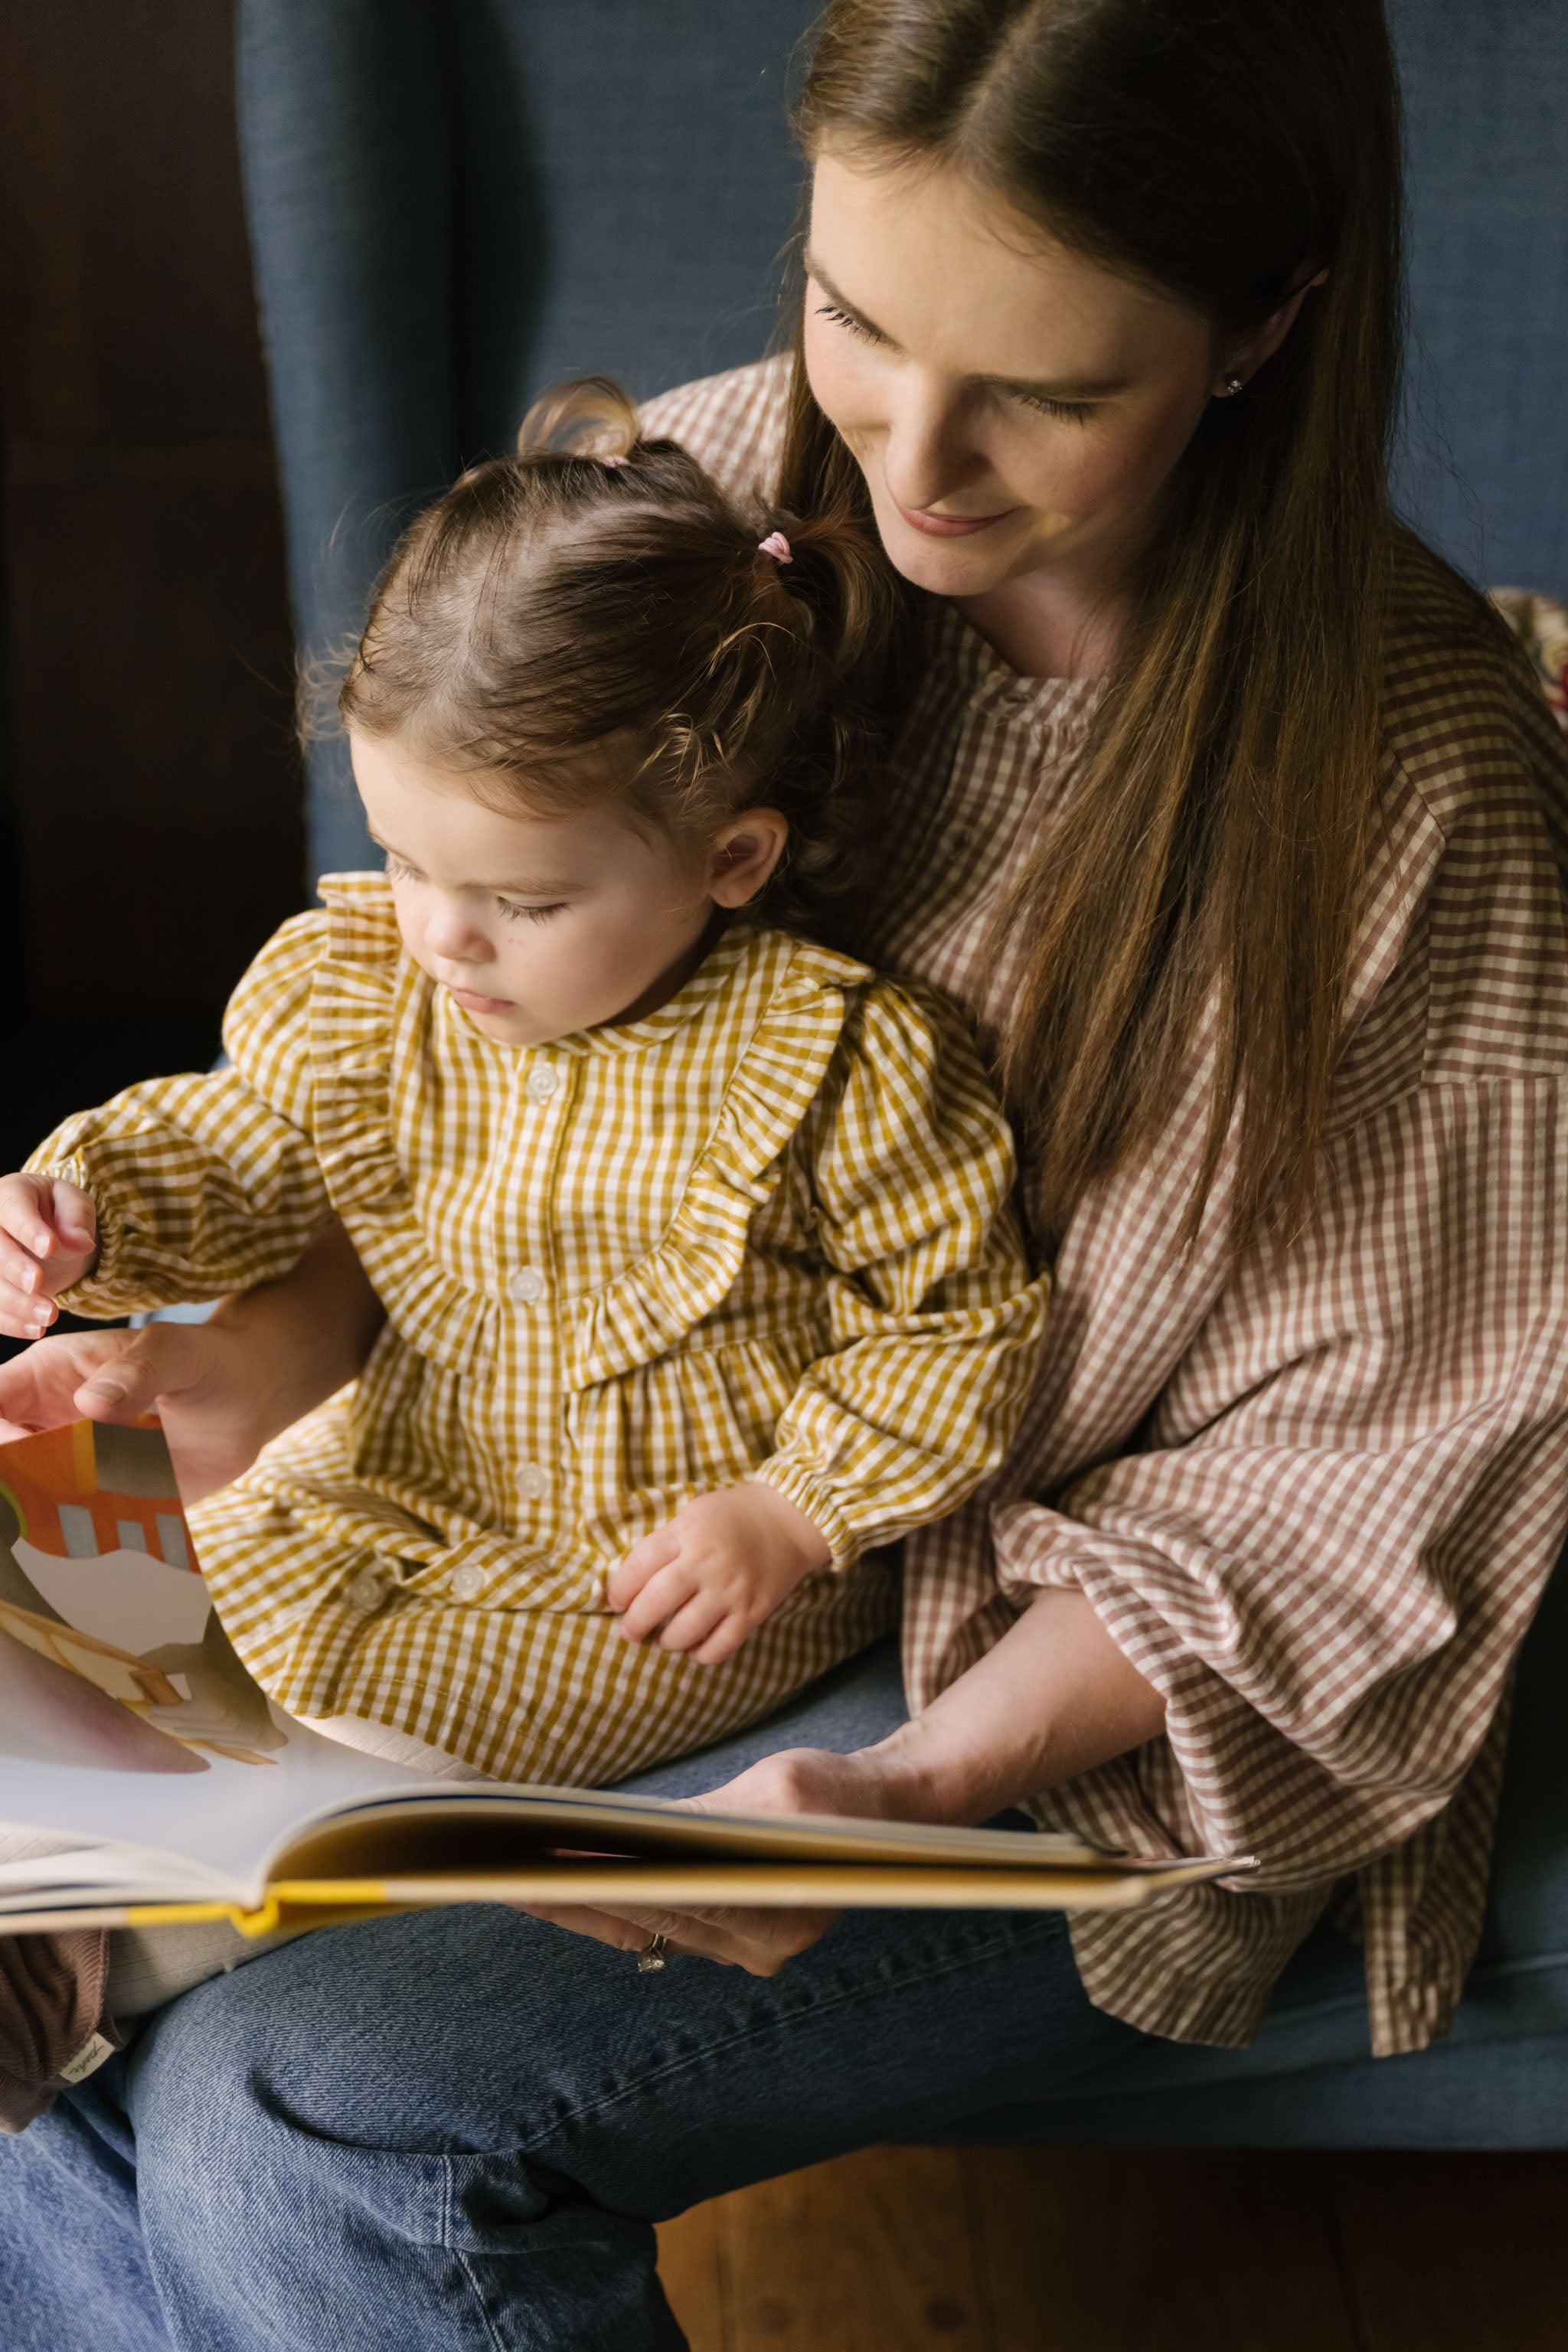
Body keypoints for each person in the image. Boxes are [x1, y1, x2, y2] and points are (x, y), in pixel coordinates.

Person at [2, 0, 1566, 2344]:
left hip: (1049, 1698)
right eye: (856, 318)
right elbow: (462, 1121)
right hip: (540, 1538)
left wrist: (920, 1790)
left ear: (1261, 326)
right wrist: (220, 1369)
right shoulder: (718, 513)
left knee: (301, 2127)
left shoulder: (1409, 791)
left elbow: (1358, 1497)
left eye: (1043, 392)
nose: (909, 468)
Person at [0, 379, 1049, 1788]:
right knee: (87, 1632)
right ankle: (65, 1883)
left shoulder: (839, 1062)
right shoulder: (366, 985)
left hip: (657, 1557)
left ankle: (102, 1953)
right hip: (378, 1474)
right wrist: (86, 1205)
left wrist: (792, 1514)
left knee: (346, 1722)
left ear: (730, 862)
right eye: (409, 859)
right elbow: (240, 1145)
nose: (444, 933)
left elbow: (957, 1323)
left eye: (526, 901)